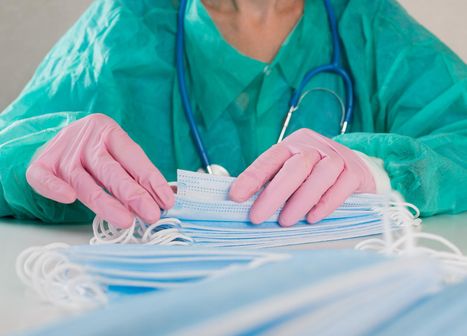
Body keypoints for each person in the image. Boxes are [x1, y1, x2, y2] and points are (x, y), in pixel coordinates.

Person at [0, 0, 466, 229]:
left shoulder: (366, 22)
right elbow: (9, 152)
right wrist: (31, 162)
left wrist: (384, 170)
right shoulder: (126, 25)